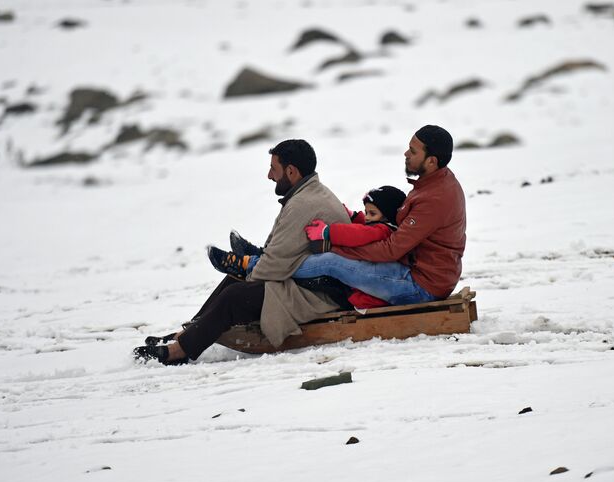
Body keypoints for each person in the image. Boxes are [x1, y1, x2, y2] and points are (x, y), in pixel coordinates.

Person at [133, 139, 350, 365]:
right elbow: (278, 255)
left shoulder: (304, 203)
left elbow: (274, 264)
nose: (269, 175)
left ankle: (179, 352)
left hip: (318, 296)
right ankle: (187, 335)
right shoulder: (308, 194)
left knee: (235, 295)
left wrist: (247, 279)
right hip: (304, 282)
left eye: (273, 169)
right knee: (233, 280)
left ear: (291, 171)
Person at [291, 125, 466, 306]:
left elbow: (391, 250)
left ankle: (277, 269)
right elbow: (397, 228)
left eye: (413, 152)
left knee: (332, 262)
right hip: (423, 272)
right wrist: (357, 219)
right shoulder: (436, 182)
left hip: (421, 286)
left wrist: (335, 247)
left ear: (431, 161)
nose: (406, 153)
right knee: (338, 259)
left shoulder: (434, 199)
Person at [210, 185, 408, 309]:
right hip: (353, 282)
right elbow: (364, 227)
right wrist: (353, 216)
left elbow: (360, 233)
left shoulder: (383, 230)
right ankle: (262, 256)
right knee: (317, 259)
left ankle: (250, 263)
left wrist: (328, 232)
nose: (367, 218)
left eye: (371, 214)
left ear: (388, 216)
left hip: (357, 292)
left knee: (322, 262)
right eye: (367, 213)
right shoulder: (380, 226)